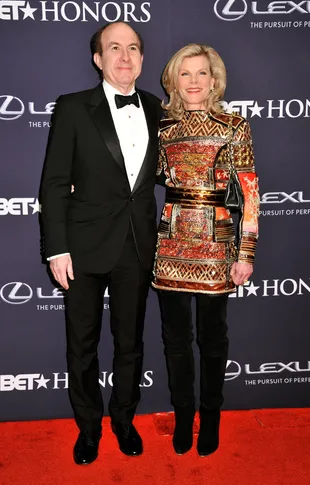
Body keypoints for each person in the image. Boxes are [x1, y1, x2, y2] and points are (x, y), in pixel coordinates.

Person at [40, 22, 162, 464]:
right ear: (98, 58)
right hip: (83, 247)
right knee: (83, 345)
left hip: (136, 244)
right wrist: (57, 247)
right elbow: (54, 183)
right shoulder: (72, 108)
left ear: (143, 59)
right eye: (114, 47)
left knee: (130, 343)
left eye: (133, 48)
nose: (125, 56)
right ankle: (89, 428)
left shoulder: (156, 107)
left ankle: (125, 420)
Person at [153, 44, 259, 456]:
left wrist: (245, 252)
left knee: (213, 340)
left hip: (218, 246)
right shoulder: (163, 129)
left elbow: (249, 192)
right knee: (175, 340)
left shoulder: (235, 125)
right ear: (174, 81)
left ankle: (210, 418)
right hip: (171, 242)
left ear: (214, 80)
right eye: (185, 73)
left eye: (202, 73)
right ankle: (183, 417)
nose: (194, 81)